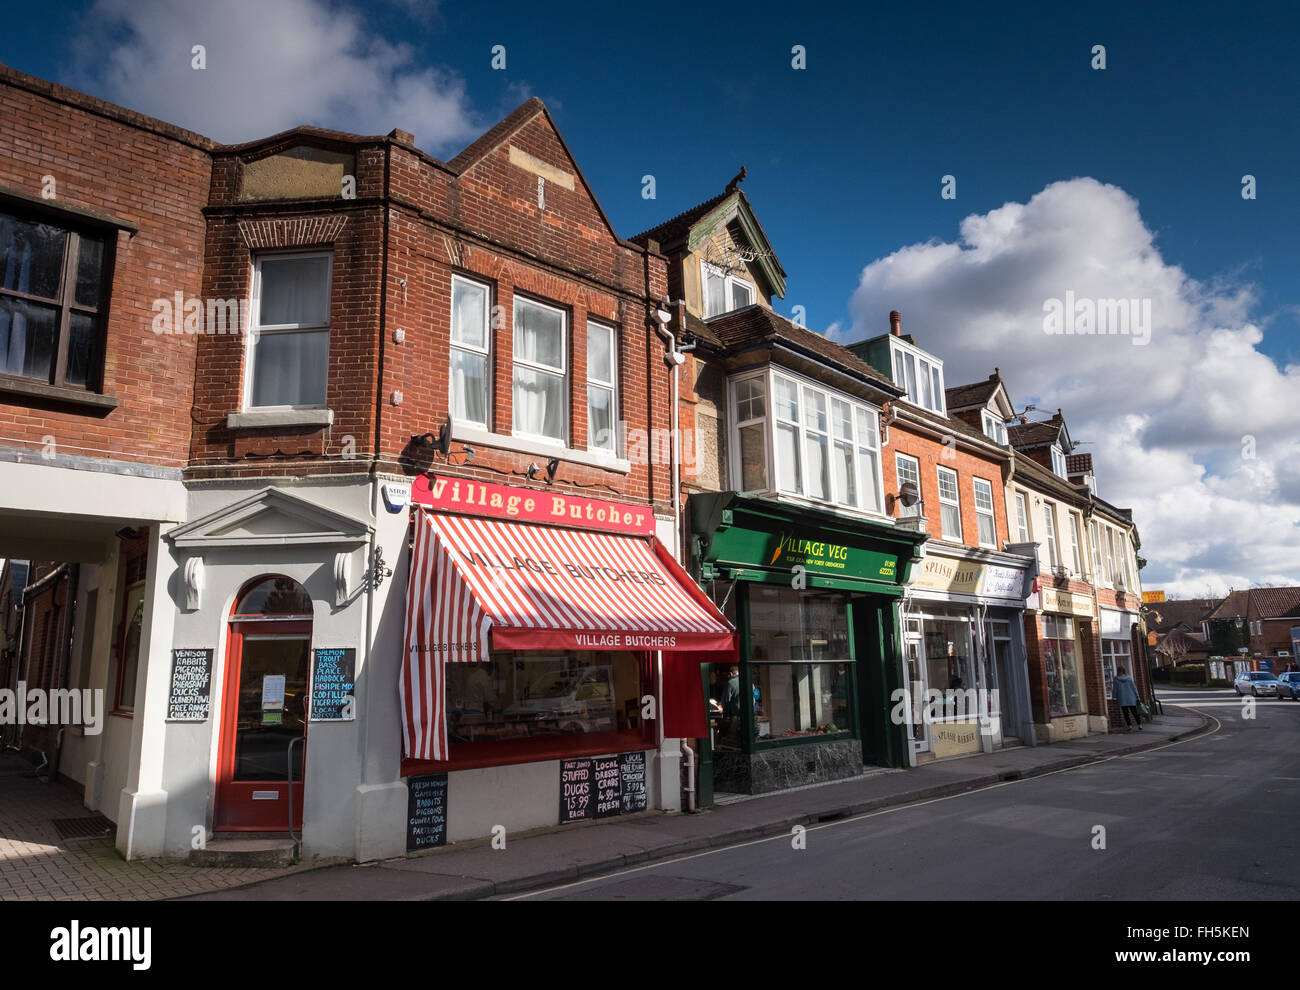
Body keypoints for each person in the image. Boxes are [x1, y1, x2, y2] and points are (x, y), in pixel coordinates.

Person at [1112, 665, 1141, 732]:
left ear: (1118, 671)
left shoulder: (1116, 679)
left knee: (1126, 713)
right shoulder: (1129, 678)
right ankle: (1139, 725)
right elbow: (1134, 688)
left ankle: (1129, 726)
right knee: (1134, 712)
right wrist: (1137, 696)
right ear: (1124, 670)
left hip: (1122, 698)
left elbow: (1115, 689)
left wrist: (1114, 697)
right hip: (1131, 697)